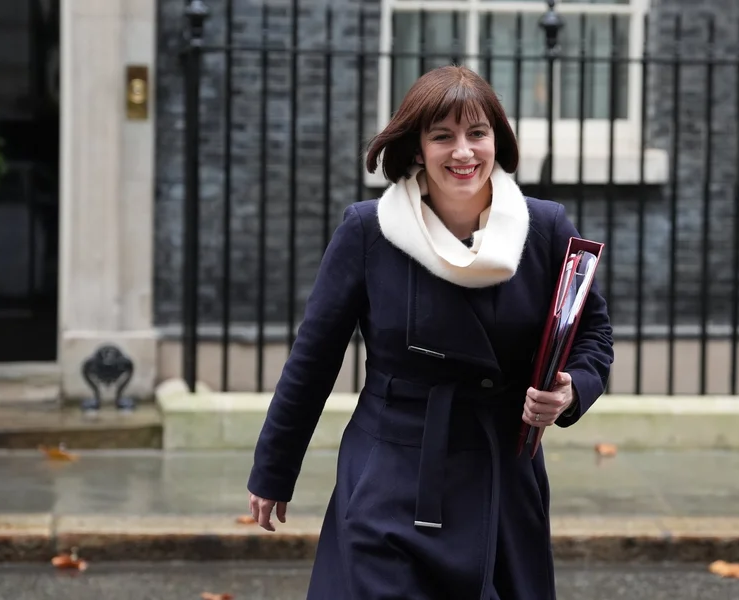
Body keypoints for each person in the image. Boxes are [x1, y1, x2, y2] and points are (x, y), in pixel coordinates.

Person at [247, 65, 615, 600]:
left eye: (477, 133)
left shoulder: (546, 229)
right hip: (390, 471)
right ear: (417, 149)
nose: (463, 152)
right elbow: (313, 358)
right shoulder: (369, 231)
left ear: (497, 141)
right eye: (443, 136)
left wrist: (572, 389)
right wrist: (274, 470)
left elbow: (593, 334)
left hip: (501, 473)